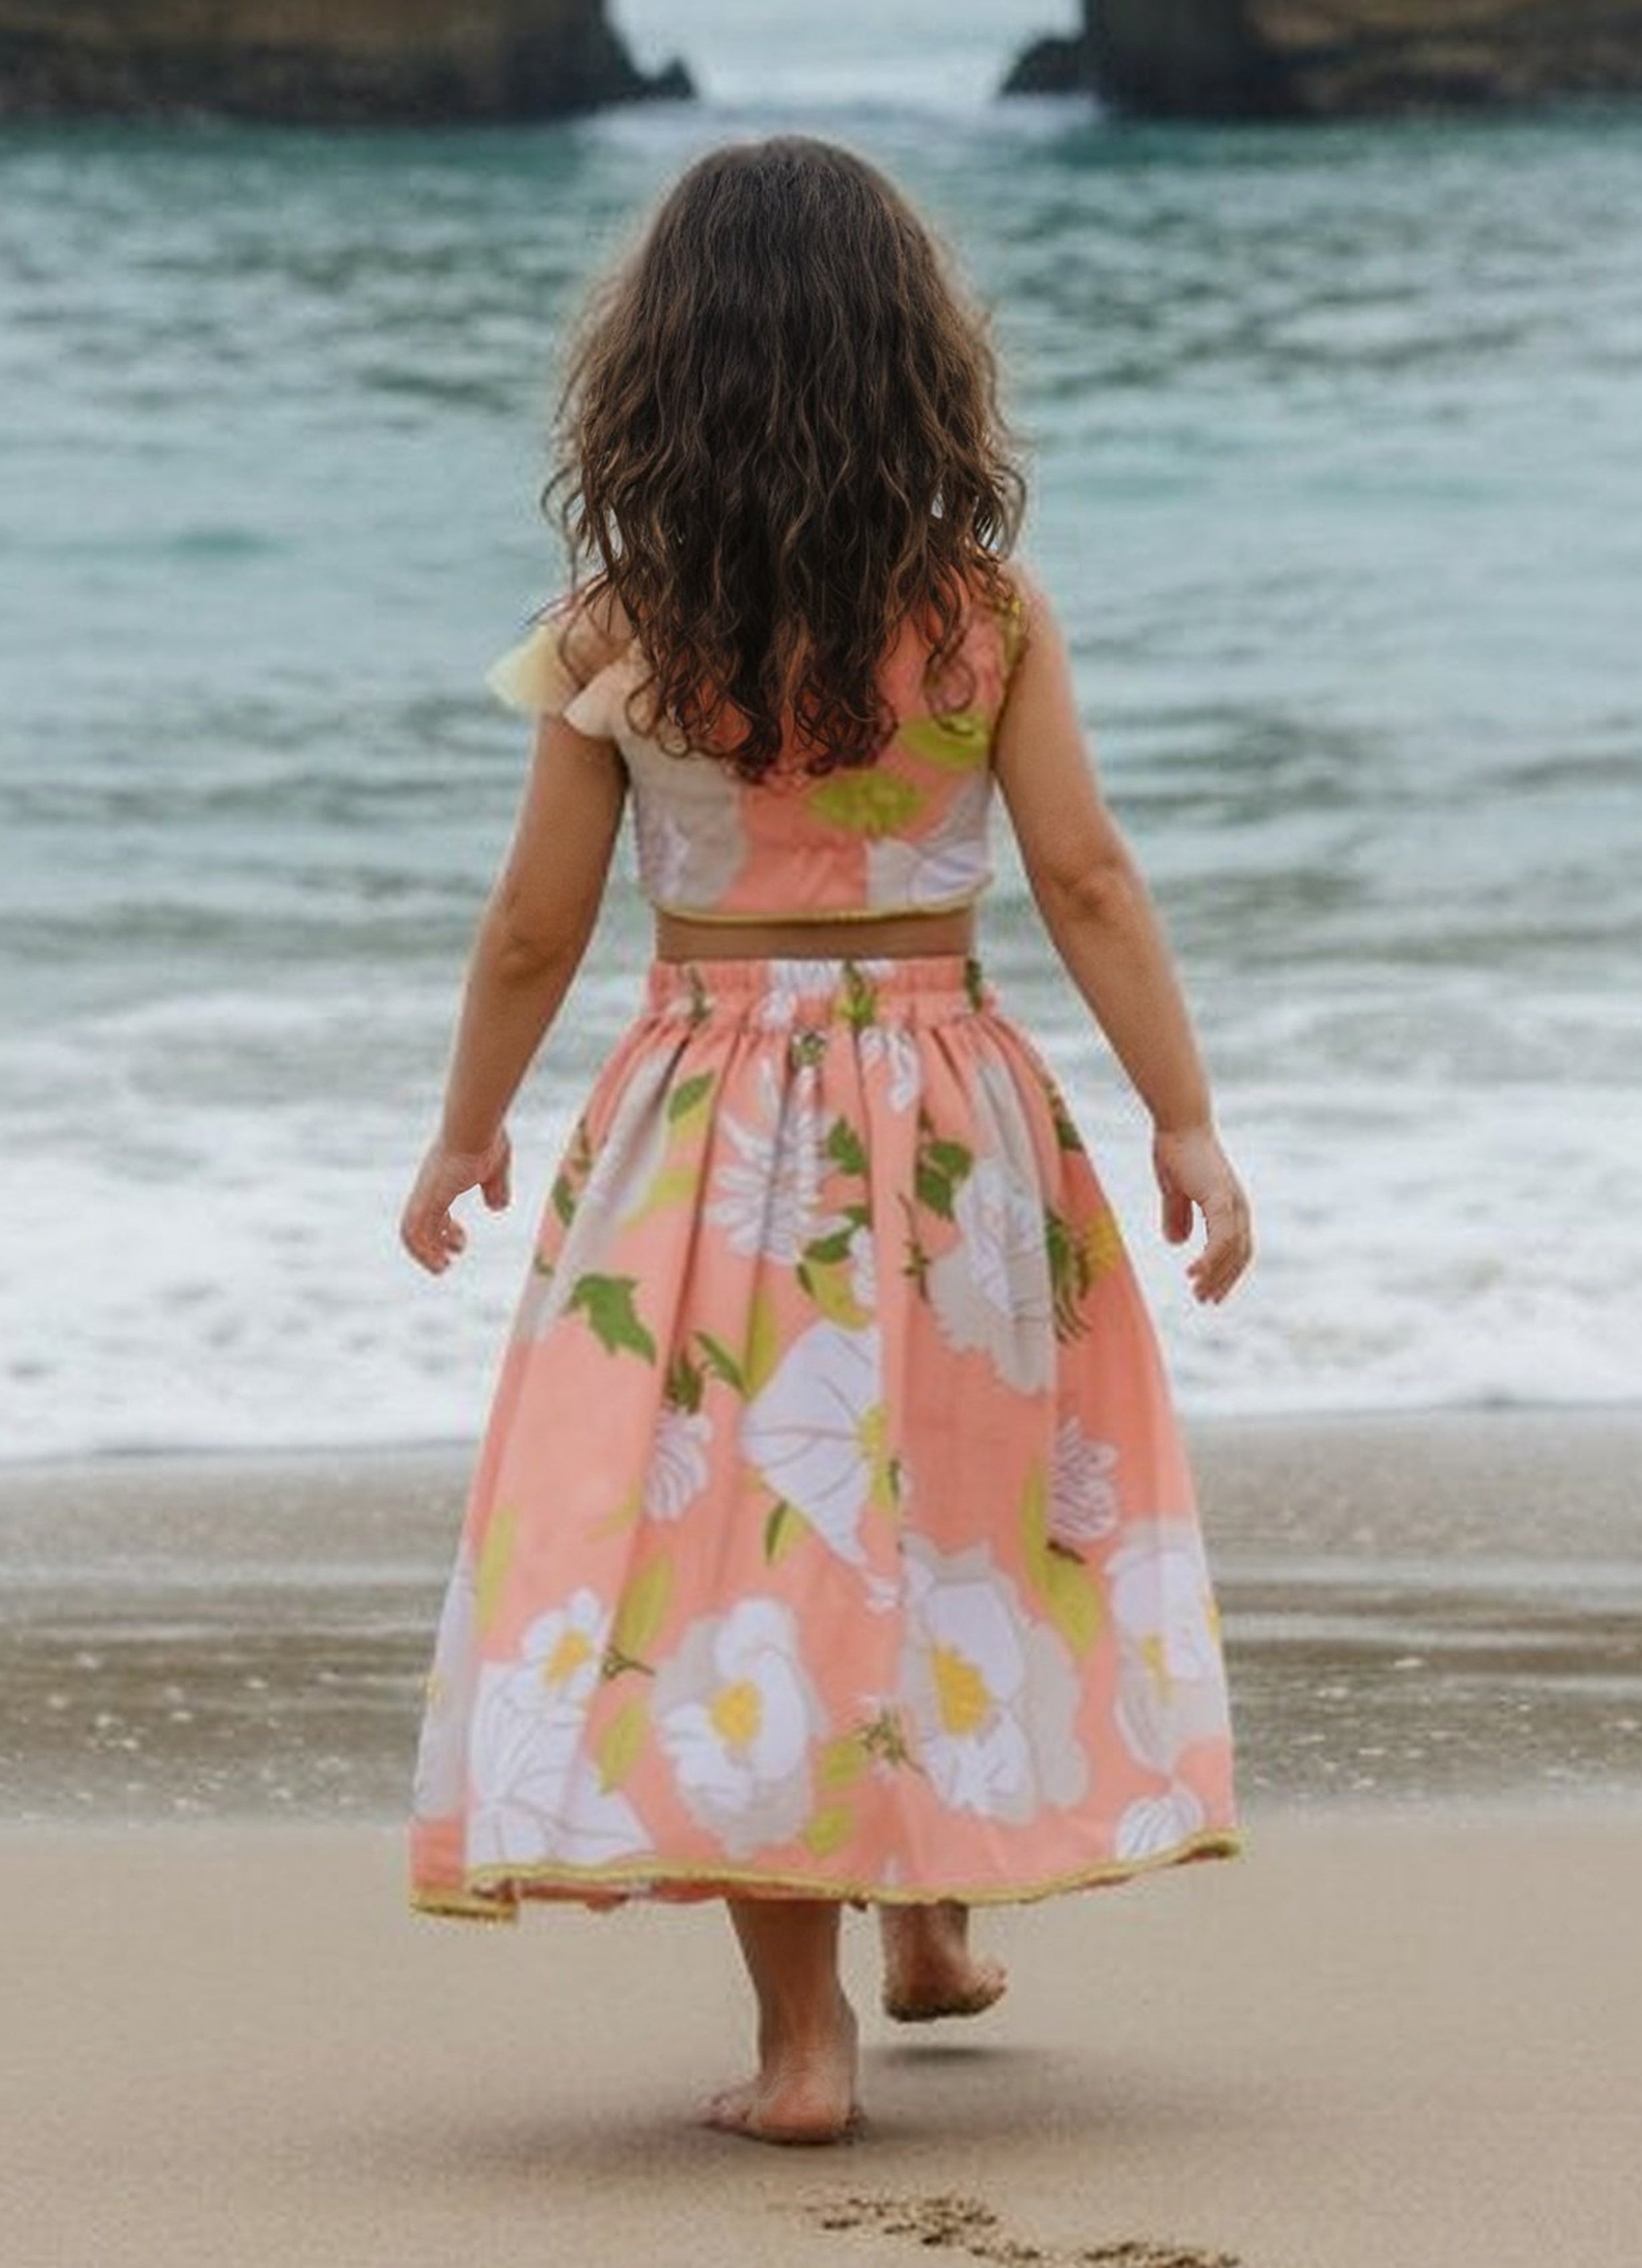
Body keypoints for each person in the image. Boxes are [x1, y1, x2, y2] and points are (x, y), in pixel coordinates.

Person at [398, 132, 1252, 2148]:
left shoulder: (614, 632)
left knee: (750, 1550)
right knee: (941, 1501)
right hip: (953, 1109)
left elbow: (532, 926)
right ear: (915, 358)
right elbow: (1088, 877)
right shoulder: (984, 615)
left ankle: (810, 2044)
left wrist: (464, 1132)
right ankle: (933, 1917)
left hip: (708, 1122)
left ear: (656, 367)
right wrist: (1186, 1119)